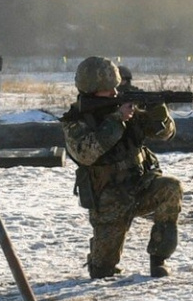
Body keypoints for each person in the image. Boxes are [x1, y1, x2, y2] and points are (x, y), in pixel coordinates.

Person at [60, 56, 183, 279]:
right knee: (102, 272)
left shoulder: (125, 107)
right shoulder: (76, 121)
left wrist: (159, 112)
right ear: (92, 91)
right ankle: (98, 255)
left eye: (115, 88)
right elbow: (86, 154)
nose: (114, 93)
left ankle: (158, 260)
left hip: (140, 185)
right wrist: (117, 119)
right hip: (109, 200)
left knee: (171, 188)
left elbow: (165, 134)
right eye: (108, 90)